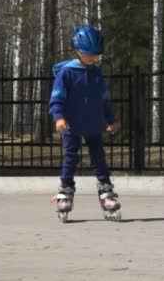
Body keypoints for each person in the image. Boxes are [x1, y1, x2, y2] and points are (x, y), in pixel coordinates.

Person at [49, 24, 121, 222]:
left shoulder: (96, 73)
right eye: (89, 54)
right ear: (78, 51)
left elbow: (103, 98)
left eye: (96, 54)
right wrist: (59, 117)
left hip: (93, 123)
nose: (93, 58)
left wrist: (110, 119)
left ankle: (106, 192)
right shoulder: (67, 74)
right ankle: (65, 191)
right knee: (71, 158)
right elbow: (57, 98)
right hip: (71, 125)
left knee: (99, 159)